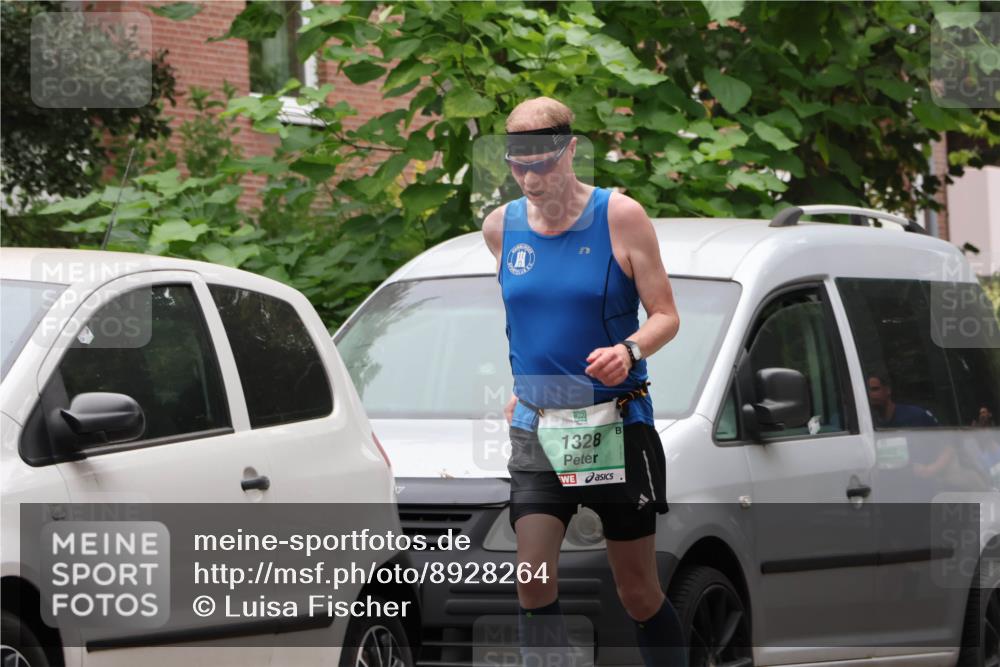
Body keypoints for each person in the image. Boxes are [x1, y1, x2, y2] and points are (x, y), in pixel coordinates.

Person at [482, 97, 685, 666]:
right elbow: (528, 320)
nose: (530, 177)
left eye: (543, 163)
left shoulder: (621, 216)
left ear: (572, 150)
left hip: (613, 424)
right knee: (533, 579)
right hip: (540, 426)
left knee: (638, 592)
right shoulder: (501, 228)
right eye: (518, 165)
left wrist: (629, 349)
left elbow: (666, 315)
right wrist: (523, 385)